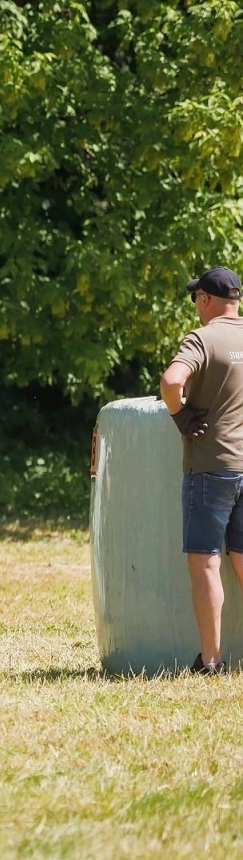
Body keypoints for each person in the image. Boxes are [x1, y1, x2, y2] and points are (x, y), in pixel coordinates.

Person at [159, 265, 243, 674]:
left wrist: (181, 417)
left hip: (211, 469)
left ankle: (210, 661)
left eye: (197, 298)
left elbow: (171, 381)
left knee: (206, 563)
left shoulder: (202, 339)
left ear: (206, 300)